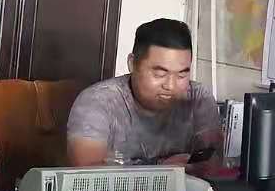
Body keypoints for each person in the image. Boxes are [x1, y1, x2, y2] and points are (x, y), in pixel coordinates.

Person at [65, 18, 221, 169]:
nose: (170, 86)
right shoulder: (98, 102)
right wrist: (161, 169)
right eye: (160, 74)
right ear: (132, 64)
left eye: (181, 75)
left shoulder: (198, 98)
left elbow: (214, 162)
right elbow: (87, 175)